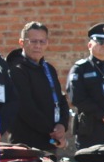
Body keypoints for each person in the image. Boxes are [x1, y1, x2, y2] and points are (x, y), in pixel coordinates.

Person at [4, 21, 71, 151]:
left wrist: (62, 125)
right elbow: (26, 108)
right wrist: (53, 131)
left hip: (50, 141)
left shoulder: (49, 69)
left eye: (42, 42)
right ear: (22, 43)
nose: (38, 46)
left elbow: (61, 99)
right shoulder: (16, 70)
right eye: (33, 41)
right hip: (25, 145)